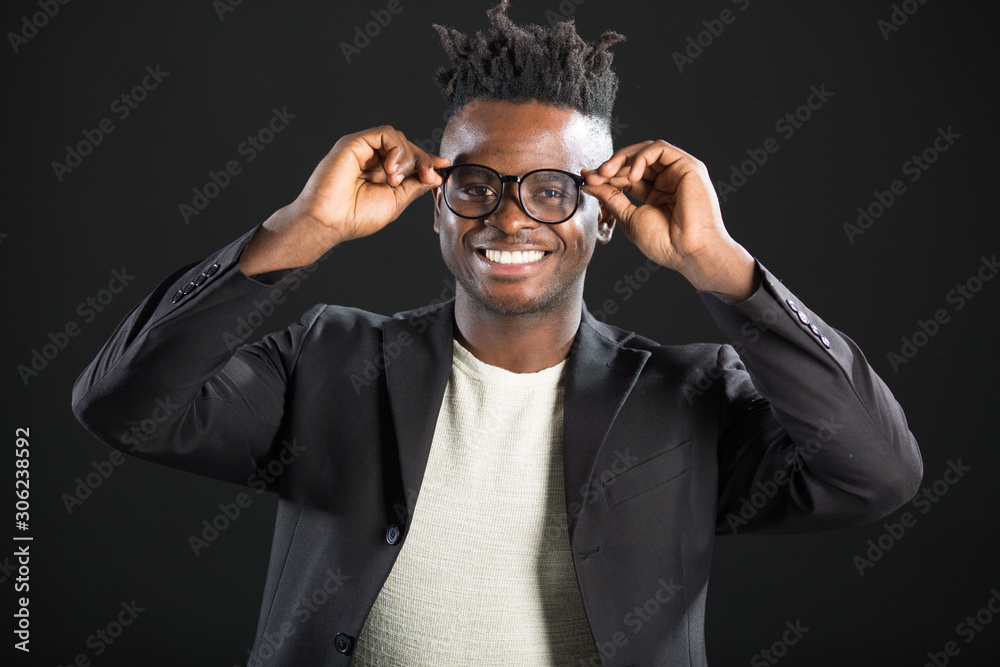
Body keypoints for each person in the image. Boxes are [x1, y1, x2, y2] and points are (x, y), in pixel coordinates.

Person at [71, 2, 923, 665]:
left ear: (604, 215)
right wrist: (301, 229)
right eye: (476, 184)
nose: (508, 216)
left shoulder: (689, 398)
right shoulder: (328, 359)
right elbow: (122, 402)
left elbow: (878, 472)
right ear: (436, 205)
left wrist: (721, 264)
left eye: (551, 189)